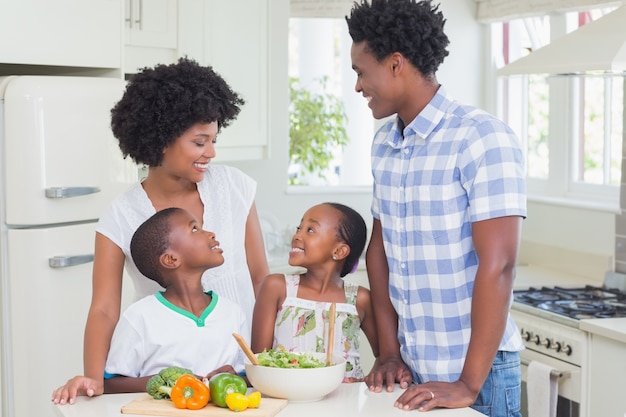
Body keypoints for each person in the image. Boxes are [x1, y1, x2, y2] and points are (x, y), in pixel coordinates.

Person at [345, 1, 527, 416]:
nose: (357, 86)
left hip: (479, 375)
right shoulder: (384, 144)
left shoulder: (480, 137)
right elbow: (380, 249)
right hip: (413, 373)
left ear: (395, 64)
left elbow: (498, 264)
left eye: (360, 71)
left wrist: (467, 383)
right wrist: (389, 352)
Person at [52, 57, 268, 404]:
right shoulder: (120, 214)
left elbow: (261, 281)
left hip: (240, 373)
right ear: (161, 139)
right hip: (167, 384)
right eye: (200, 142)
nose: (211, 153)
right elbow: (104, 309)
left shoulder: (234, 187)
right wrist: (94, 379)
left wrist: (266, 362)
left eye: (214, 139)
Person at [104, 207, 248, 393]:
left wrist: (236, 377)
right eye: (195, 229)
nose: (210, 233)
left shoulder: (233, 313)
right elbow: (110, 385)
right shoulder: (139, 317)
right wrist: (169, 381)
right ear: (171, 259)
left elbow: (246, 375)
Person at [251, 202, 379, 382]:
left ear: (339, 251)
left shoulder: (360, 299)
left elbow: (386, 358)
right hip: (290, 402)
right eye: (299, 228)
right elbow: (258, 363)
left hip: (345, 406)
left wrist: (364, 384)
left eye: (310, 230)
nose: (297, 235)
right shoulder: (276, 287)